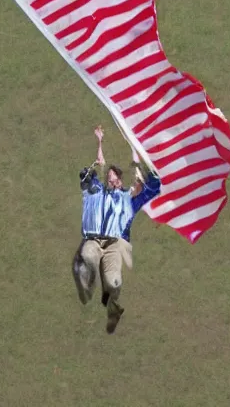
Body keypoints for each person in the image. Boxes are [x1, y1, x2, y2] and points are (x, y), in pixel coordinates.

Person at [72, 125, 161, 334]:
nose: (111, 180)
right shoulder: (104, 191)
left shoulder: (126, 196)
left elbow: (137, 182)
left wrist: (134, 149)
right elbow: (101, 165)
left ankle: (112, 304)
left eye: (114, 179)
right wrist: (100, 141)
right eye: (110, 179)